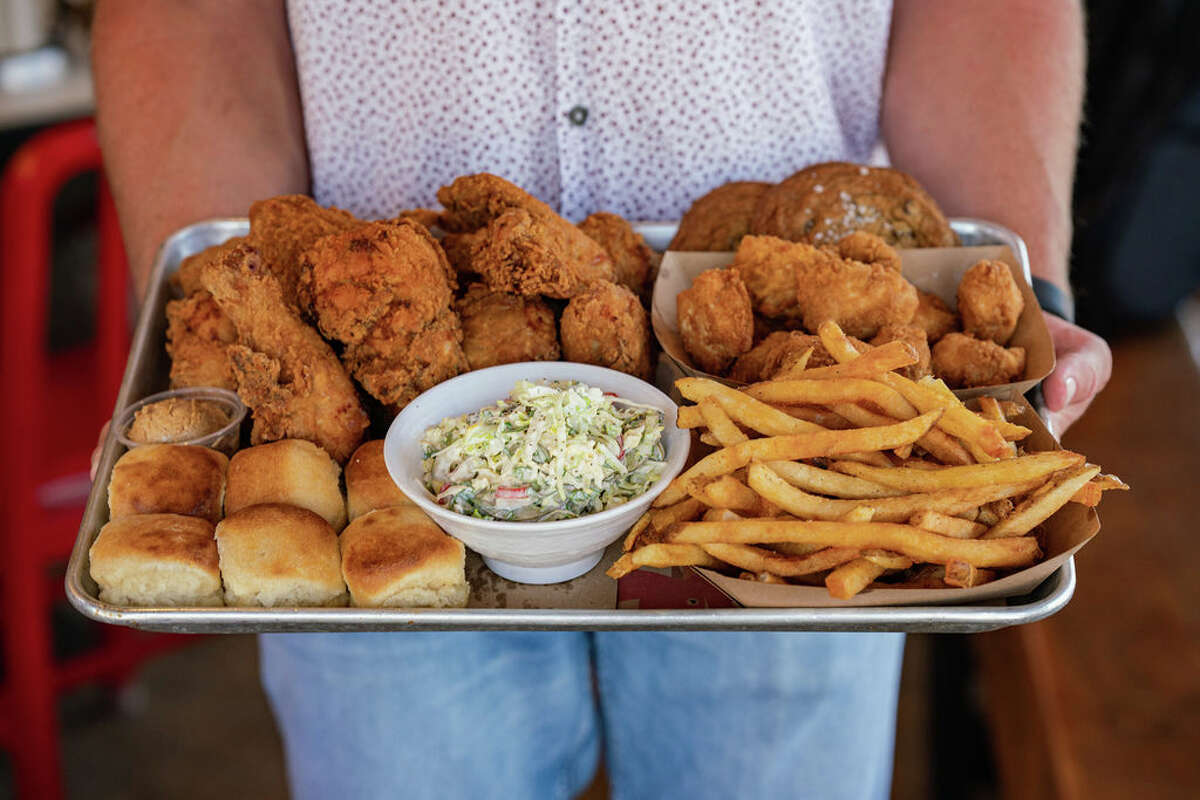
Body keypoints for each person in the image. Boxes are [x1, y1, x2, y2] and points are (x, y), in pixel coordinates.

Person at [91, 1, 1110, 798]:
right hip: (382, 481)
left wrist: (1030, 305)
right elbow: (187, 11)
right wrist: (220, 329)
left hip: (796, 488)